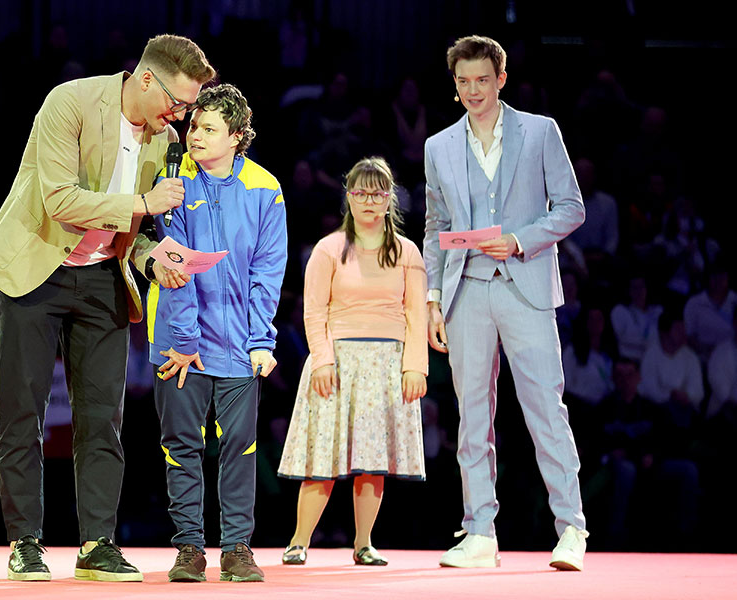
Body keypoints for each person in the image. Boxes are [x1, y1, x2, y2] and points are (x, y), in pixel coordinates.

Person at [0, 34, 215, 582]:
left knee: (104, 418)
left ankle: (97, 543)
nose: (178, 115)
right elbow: (58, 198)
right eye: (176, 101)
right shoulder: (71, 102)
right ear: (146, 79)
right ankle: (25, 542)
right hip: (36, 268)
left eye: (186, 107)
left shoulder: (166, 138)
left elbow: (149, 231)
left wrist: (158, 261)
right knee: (22, 412)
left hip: (106, 277)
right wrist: (141, 203)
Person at [423, 35, 588, 571]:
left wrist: (520, 239)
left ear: (501, 79)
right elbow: (436, 228)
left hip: (525, 285)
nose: (473, 90)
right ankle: (479, 532)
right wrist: (430, 297)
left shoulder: (540, 132)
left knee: (545, 409)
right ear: (455, 86)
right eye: (463, 82)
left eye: (482, 79)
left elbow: (570, 208)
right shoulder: (438, 146)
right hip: (466, 290)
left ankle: (572, 530)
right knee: (472, 417)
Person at [146, 83, 287, 583]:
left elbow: (267, 272)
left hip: (238, 345)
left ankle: (237, 549)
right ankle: (188, 548)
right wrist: (183, 341)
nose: (195, 135)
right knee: (180, 444)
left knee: (240, 447)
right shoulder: (172, 182)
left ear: (236, 137)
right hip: (179, 341)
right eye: (193, 125)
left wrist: (261, 341)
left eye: (208, 128)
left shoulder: (266, 188)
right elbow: (174, 263)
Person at [277, 157, 428, 567]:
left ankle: (364, 543)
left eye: (377, 193)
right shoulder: (328, 249)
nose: (367, 200)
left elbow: (417, 313)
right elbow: (313, 311)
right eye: (359, 192)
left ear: (388, 199)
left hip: (386, 365)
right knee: (321, 459)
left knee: (372, 460)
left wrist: (415, 366)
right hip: (337, 363)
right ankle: (299, 541)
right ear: (348, 196)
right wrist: (323, 360)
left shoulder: (408, 252)